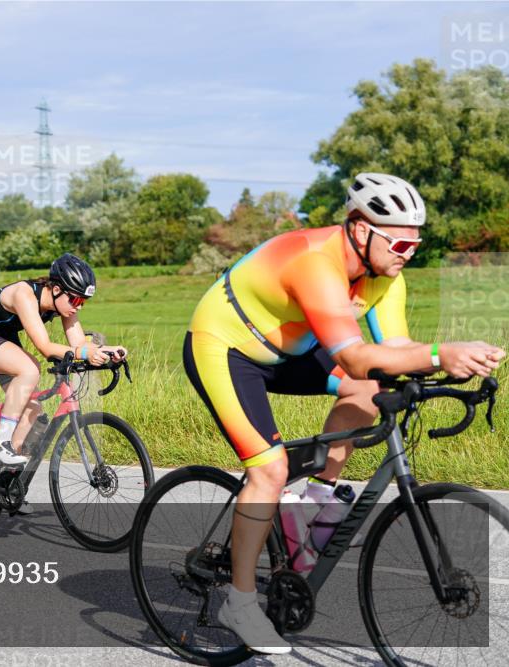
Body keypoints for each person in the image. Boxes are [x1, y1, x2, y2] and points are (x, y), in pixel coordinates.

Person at [183, 173, 505, 654]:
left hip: (288, 349)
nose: (407, 253)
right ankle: (240, 601)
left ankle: (309, 505)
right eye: (399, 241)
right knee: (268, 470)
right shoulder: (316, 262)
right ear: (360, 228)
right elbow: (356, 355)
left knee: (367, 389)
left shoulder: (385, 277)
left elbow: (393, 350)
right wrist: (441, 353)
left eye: (416, 244)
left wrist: (448, 369)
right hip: (224, 346)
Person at [0, 253, 127, 466]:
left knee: (33, 408)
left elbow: (80, 345)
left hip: (2, 340)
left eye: (84, 301)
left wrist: (108, 351)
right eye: (75, 299)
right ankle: (1, 444)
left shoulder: (63, 303)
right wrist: (85, 354)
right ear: (56, 289)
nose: (79, 306)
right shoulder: (24, 295)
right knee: (30, 369)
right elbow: (45, 348)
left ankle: (9, 478)